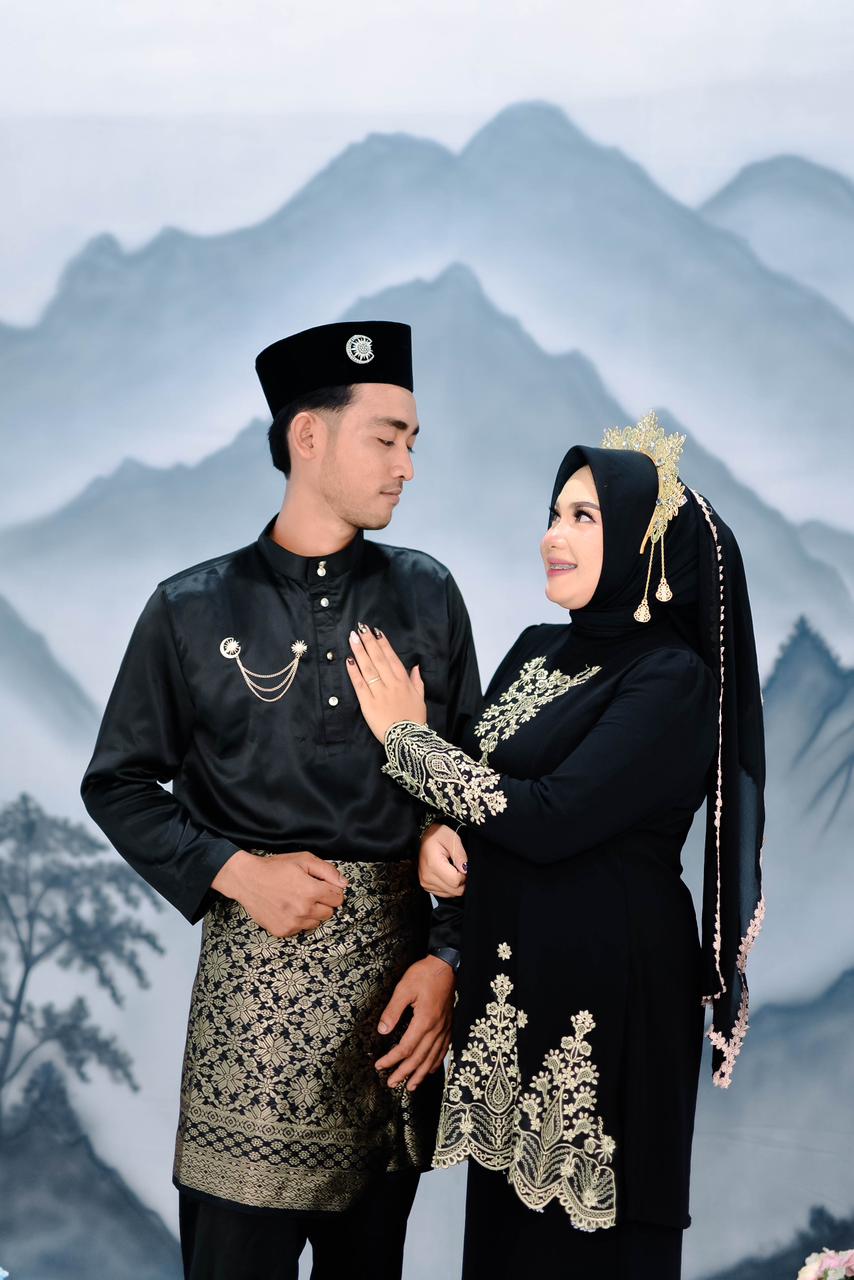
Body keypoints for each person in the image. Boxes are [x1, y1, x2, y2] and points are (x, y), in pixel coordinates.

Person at [81, 321, 482, 1280]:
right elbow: (118, 783)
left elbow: (471, 795)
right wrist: (234, 870)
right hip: (249, 1028)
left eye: (413, 442)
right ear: (309, 437)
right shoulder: (191, 608)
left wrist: (448, 961)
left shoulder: (427, 594)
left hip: (393, 1021)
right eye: (386, 438)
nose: (407, 466)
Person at [346, 413, 765, 1279]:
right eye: (553, 513)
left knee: (590, 1252)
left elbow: (551, 816)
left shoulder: (672, 679)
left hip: (607, 1008)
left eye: (584, 517)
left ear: (648, 547)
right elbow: (483, 792)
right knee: (506, 1248)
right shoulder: (538, 649)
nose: (552, 535)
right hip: (510, 999)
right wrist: (438, 834)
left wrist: (406, 741)